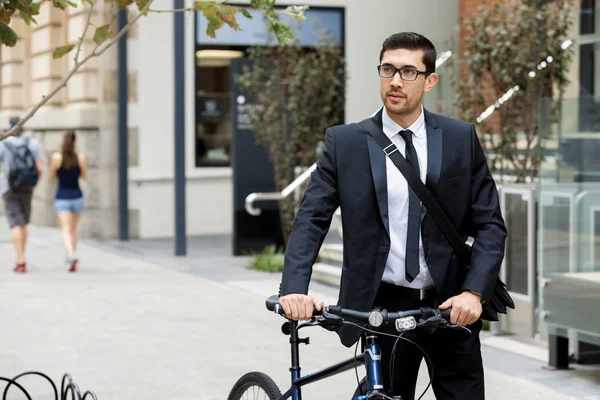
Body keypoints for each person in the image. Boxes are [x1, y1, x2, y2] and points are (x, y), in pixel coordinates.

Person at [278, 32, 507, 400]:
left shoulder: (459, 137)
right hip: (381, 309)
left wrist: (474, 291)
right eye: (388, 69)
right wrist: (293, 288)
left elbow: (490, 224)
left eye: (408, 71)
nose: (396, 80)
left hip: (448, 305)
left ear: (430, 80)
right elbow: (312, 219)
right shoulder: (345, 142)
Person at [0, 116, 44, 273]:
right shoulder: (32, 143)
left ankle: (20, 259)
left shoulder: (3, 144)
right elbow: (40, 168)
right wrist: (32, 183)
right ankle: (22, 255)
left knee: (15, 223)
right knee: (23, 222)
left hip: (8, 188)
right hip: (27, 188)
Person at [48, 130, 87, 272]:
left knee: (65, 230)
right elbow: (83, 176)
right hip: (77, 196)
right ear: (75, 142)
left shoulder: (56, 158)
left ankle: (70, 255)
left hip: (62, 197)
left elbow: (51, 176)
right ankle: (71, 255)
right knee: (73, 229)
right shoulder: (80, 158)